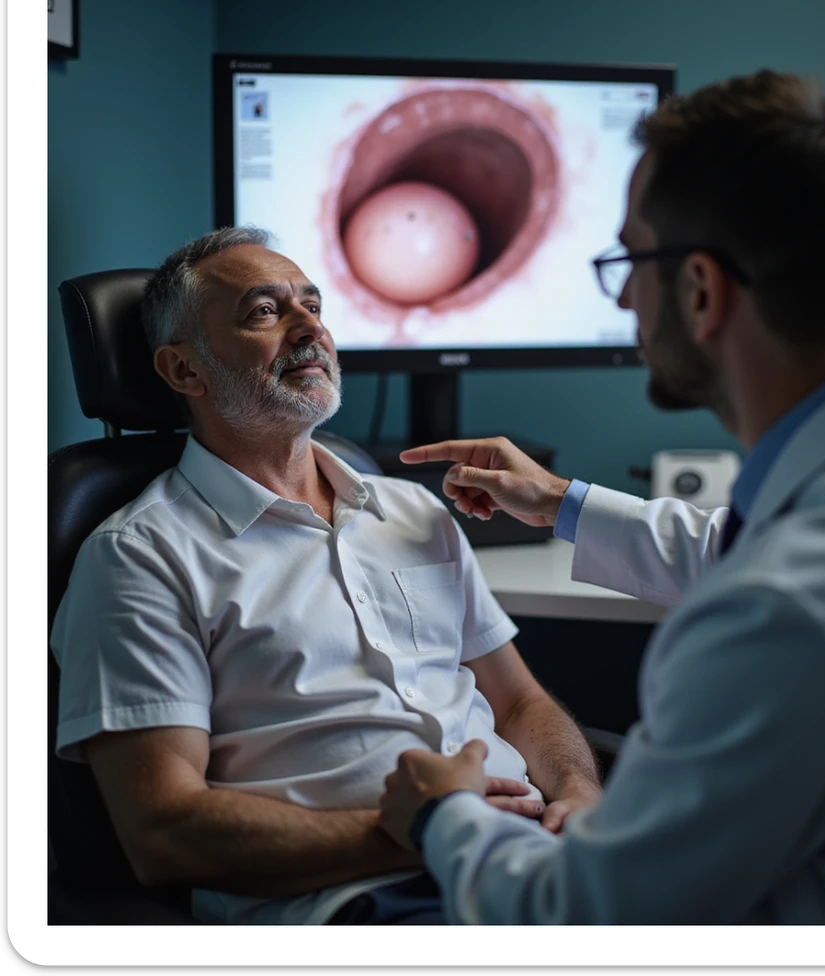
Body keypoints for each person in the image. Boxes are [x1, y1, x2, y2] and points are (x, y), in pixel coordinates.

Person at [377, 70, 825, 924]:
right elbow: (751, 548)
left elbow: (592, 917)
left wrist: (444, 816)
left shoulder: (787, 607)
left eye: (630, 262)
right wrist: (562, 502)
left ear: (700, 290)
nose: (623, 297)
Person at [49, 227, 603, 925]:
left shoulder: (411, 510)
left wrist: (581, 792)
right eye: (264, 312)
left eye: (313, 305)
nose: (311, 328)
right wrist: (415, 834)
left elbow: (521, 705)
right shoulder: (140, 556)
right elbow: (163, 832)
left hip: (539, 864)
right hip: (370, 901)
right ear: (184, 371)